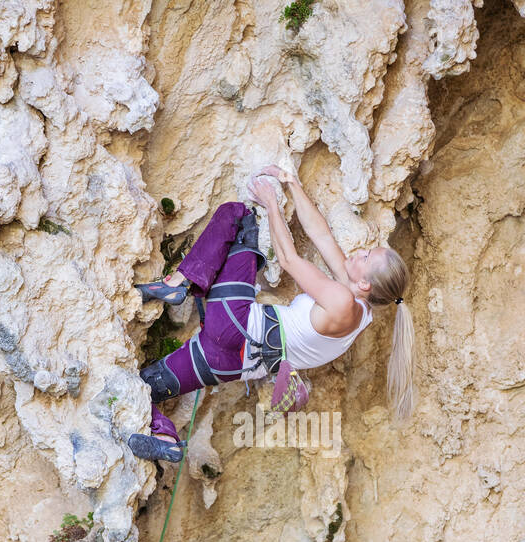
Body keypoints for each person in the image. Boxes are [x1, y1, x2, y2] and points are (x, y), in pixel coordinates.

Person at [129, 165, 416, 461]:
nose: (359, 252)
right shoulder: (360, 311)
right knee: (142, 386)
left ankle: (179, 282)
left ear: (365, 282)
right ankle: (165, 436)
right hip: (231, 364)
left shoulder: (342, 300)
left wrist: (271, 205)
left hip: (233, 322)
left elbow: (289, 260)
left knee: (237, 217)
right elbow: (322, 236)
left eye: (366, 257)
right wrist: (292, 183)